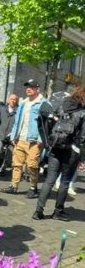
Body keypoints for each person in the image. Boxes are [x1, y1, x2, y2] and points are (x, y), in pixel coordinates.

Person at [33, 86, 85, 221]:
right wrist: (83, 158)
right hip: (72, 150)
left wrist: (49, 142)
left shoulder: (62, 106)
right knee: (65, 181)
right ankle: (58, 211)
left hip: (55, 147)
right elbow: (83, 137)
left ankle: (38, 211)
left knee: (49, 180)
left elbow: (50, 123)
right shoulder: (83, 112)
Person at [0, 79, 53, 198]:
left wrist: (41, 140)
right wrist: (14, 136)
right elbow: (17, 121)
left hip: (34, 140)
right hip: (20, 139)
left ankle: (33, 188)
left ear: (37, 89)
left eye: (32, 87)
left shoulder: (44, 103)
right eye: (27, 86)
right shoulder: (23, 103)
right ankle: (14, 186)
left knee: (32, 165)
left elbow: (47, 124)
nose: (28, 89)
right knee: (16, 163)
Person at [0, 93, 18, 176]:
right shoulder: (2, 109)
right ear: (8, 100)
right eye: (11, 99)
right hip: (2, 134)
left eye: (15, 99)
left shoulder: (18, 111)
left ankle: (3, 169)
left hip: (12, 136)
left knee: (9, 155)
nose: (13, 101)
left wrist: (14, 134)